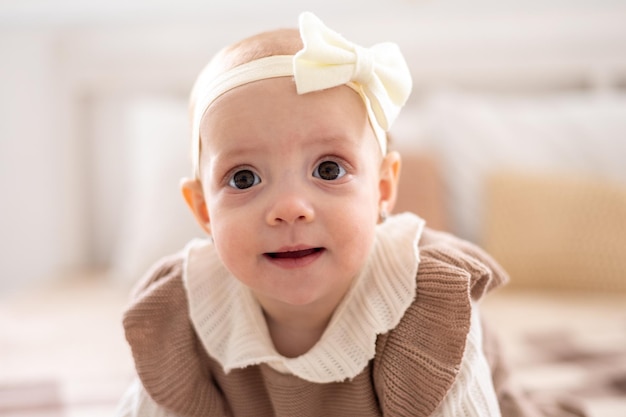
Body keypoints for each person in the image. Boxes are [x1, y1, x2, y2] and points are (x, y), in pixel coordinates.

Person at [116, 11, 544, 417]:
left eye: (328, 170)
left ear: (382, 189)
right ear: (204, 210)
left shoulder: (425, 306)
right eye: (244, 179)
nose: (289, 209)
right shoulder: (181, 315)